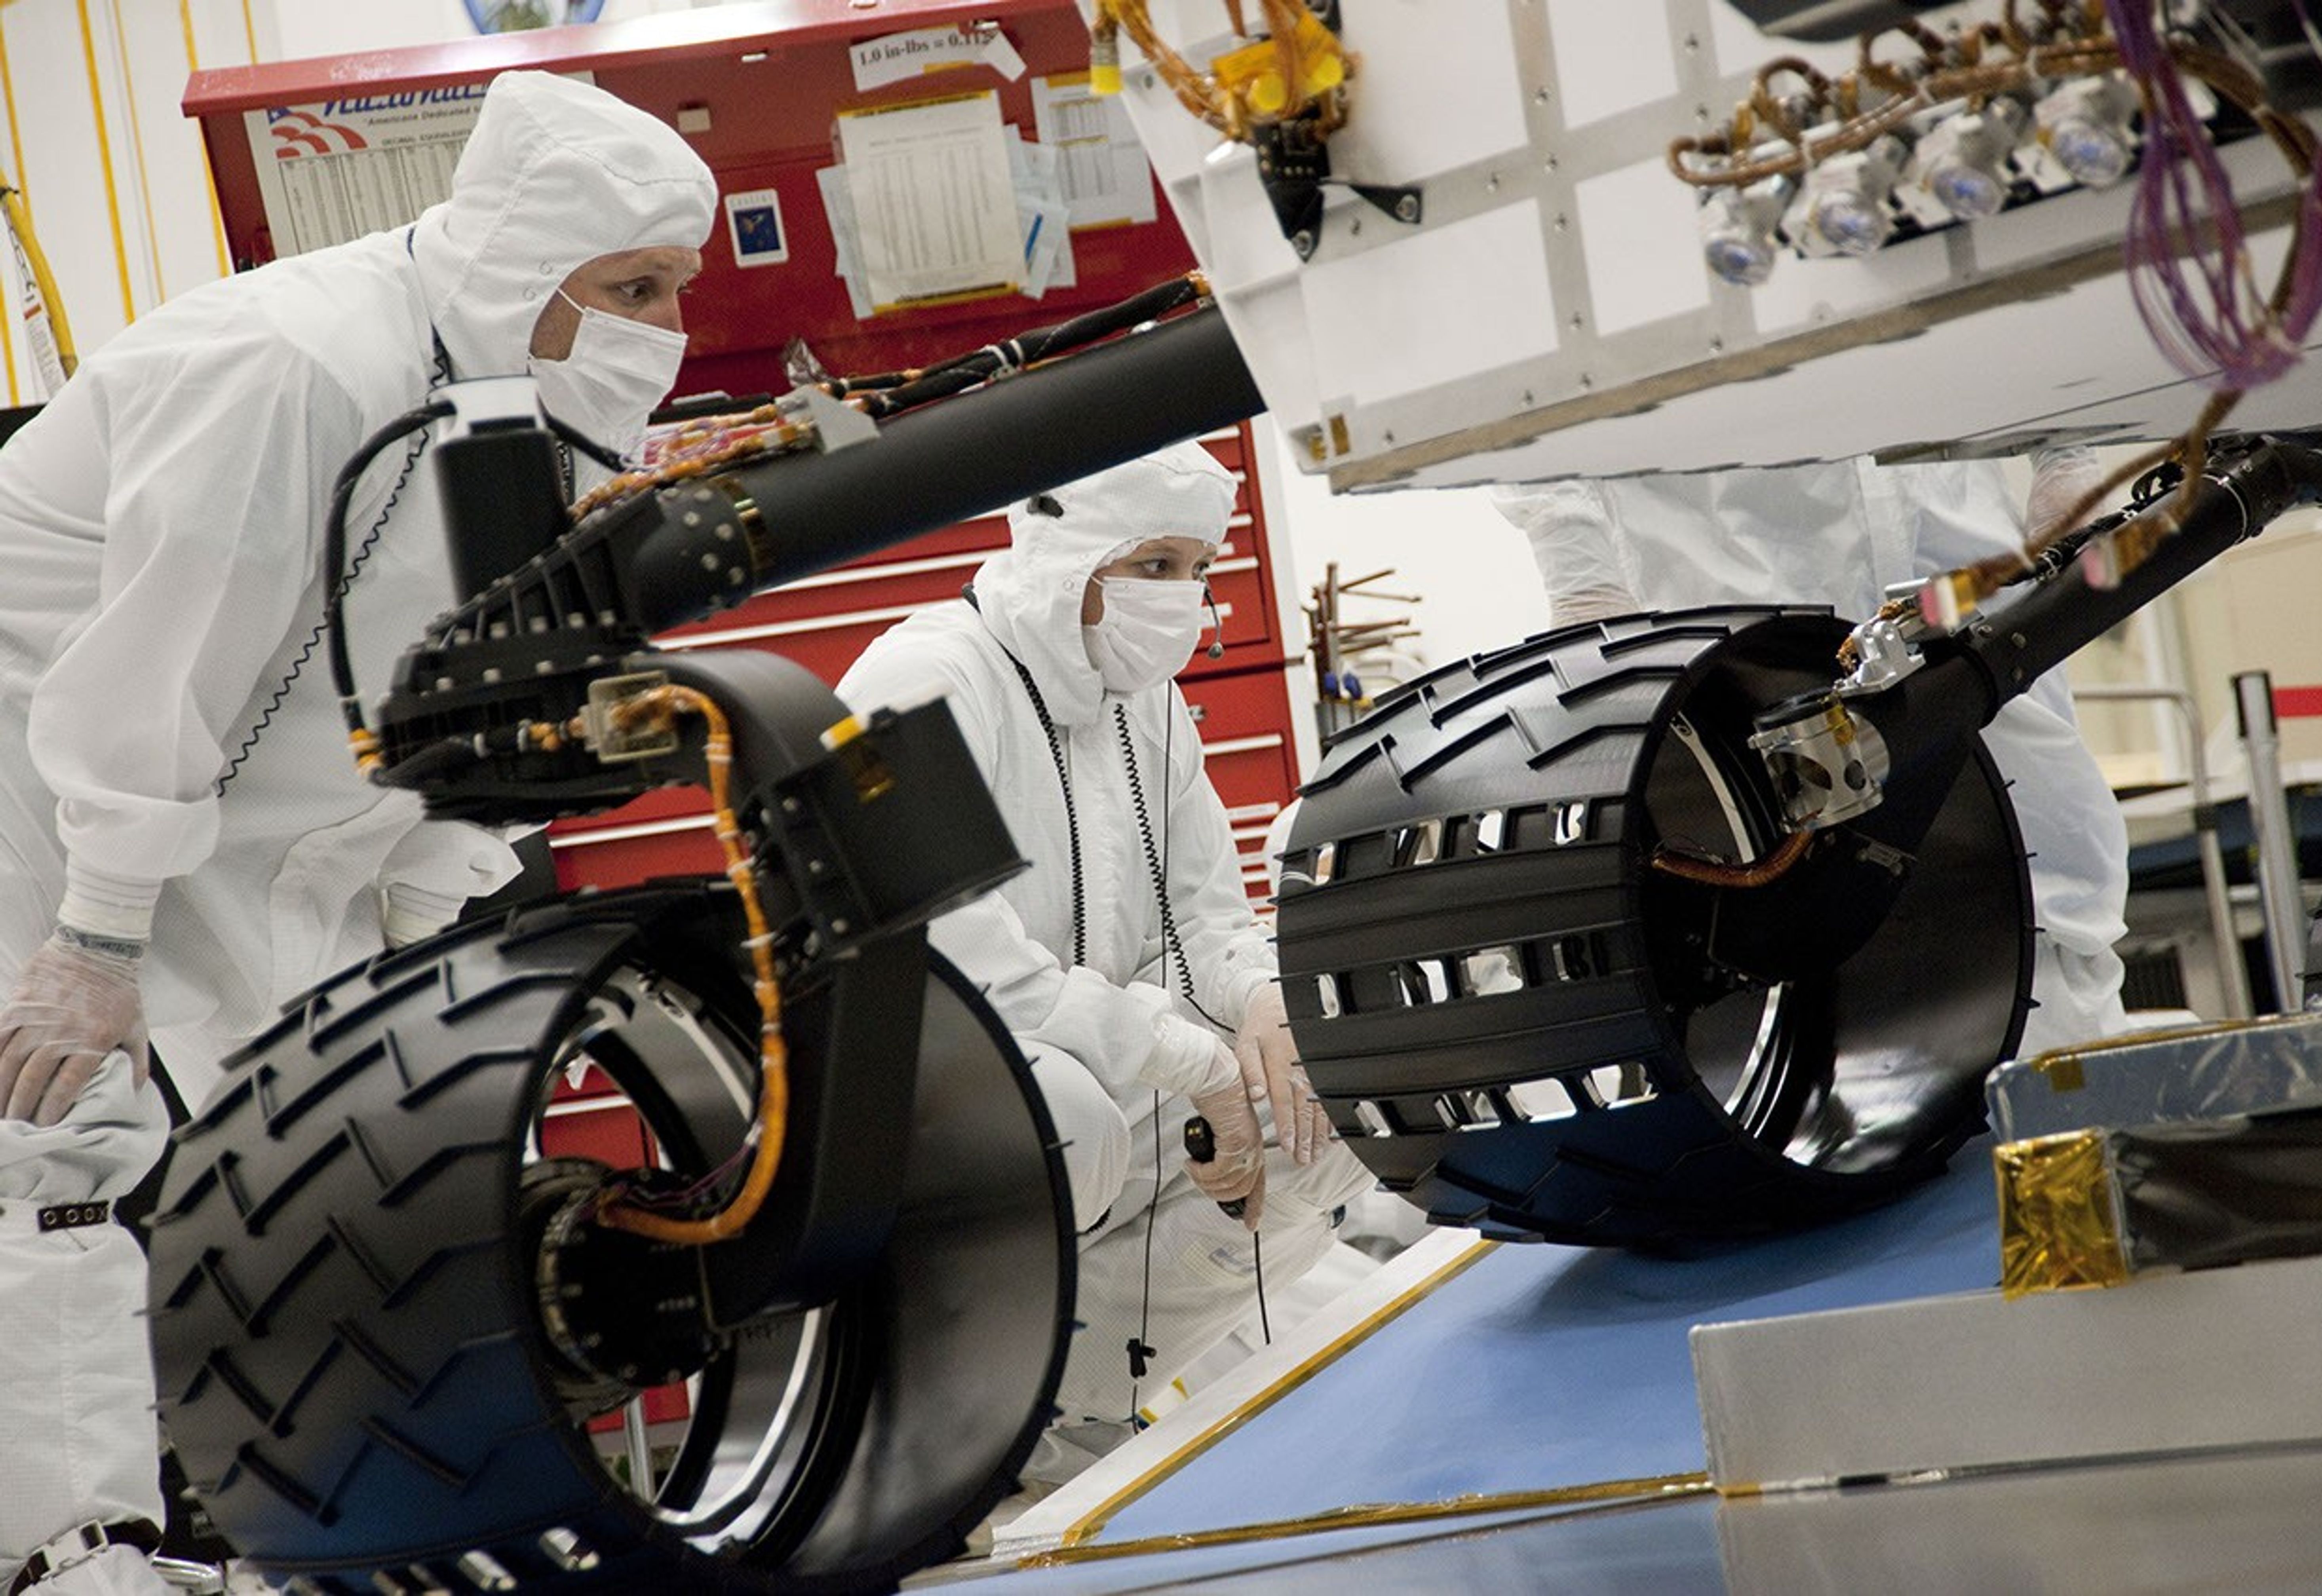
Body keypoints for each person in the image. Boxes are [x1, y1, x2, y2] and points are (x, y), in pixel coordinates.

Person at [0, 70, 715, 1594]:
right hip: (40, 760)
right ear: (530, 265)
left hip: (246, 794)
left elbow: (453, 707)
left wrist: (424, 929)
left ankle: (291, 1527)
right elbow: (157, 666)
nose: (667, 324)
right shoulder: (295, 364)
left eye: (677, 288)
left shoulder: (534, 402)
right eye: (632, 287)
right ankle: (83, 1556)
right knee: (59, 1134)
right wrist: (94, 933)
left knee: (298, 1148)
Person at [837, 442, 1376, 1480]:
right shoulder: (925, 679)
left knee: (1330, 1096)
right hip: (918, 1072)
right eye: (1155, 566)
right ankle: (974, 1404)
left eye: (1198, 570)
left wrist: (1262, 1002)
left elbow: (1205, 911)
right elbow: (953, 948)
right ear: (1065, 548)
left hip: (1092, 1055)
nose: (1182, 599)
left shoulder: (1144, 700)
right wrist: (1195, 1065)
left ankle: (1083, 1394)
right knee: (1071, 1117)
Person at [1490, 452, 2130, 1058]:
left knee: (2053, 857)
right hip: (1736, 578)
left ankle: (2064, 1127)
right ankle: (1850, 1132)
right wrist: (1577, 562)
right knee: (1790, 918)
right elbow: (1521, 361)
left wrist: (2064, 456)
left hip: (1961, 558)